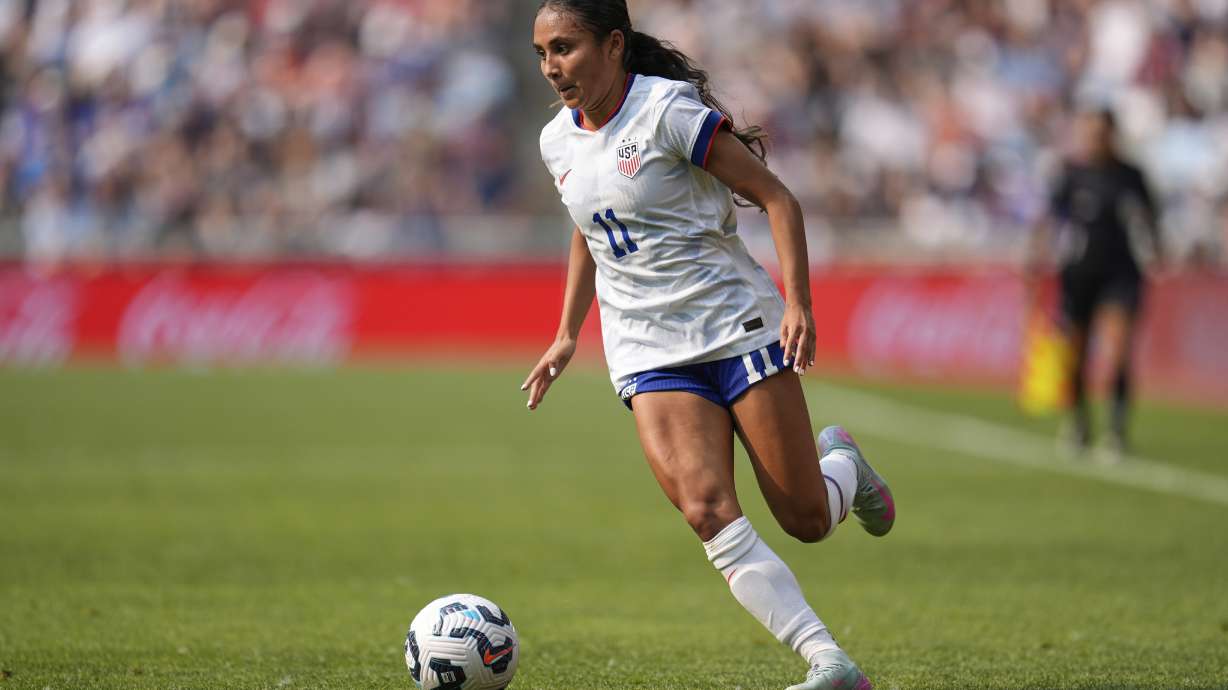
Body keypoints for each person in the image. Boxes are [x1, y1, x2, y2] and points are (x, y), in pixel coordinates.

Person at [521, 2, 894, 688]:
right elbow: (589, 226)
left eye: (566, 48)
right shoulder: (555, 141)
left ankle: (844, 468)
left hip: (735, 327)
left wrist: (799, 303)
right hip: (647, 350)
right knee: (706, 509)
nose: (552, 67)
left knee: (806, 519)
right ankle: (828, 661)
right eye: (543, 52)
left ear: (612, 45)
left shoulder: (668, 111)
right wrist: (567, 333)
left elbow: (778, 199)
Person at [1029, 108, 1163, 461]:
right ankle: (1079, 421)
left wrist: (1156, 248)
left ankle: (1116, 430)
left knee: (1117, 350)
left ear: (1111, 134)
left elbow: (1150, 218)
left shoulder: (1130, 176)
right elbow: (1051, 221)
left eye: (1099, 132)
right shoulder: (1071, 174)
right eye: (1087, 132)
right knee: (1075, 352)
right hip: (1078, 274)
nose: (1093, 139)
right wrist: (1037, 257)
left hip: (1120, 273)